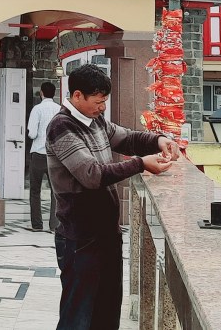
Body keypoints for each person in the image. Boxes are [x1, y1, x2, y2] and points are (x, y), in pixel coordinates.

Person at [46, 65, 181, 330]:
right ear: (77, 96)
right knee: (78, 317)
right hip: (80, 238)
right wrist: (141, 164)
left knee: (106, 313)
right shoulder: (61, 127)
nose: (102, 107)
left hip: (107, 233)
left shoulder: (96, 121)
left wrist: (159, 141)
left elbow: (127, 138)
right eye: (98, 102)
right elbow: (91, 174)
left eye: (104, 101)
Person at [26, 80, 61, 232]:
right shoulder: (60, 110)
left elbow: (32, 133)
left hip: (38, 154)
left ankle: (37, 224)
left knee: (35, 190)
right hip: (55, 156)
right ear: (54, 93)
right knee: (55, 191)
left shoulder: (37, 109)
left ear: (41, 93)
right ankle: (54, 225)